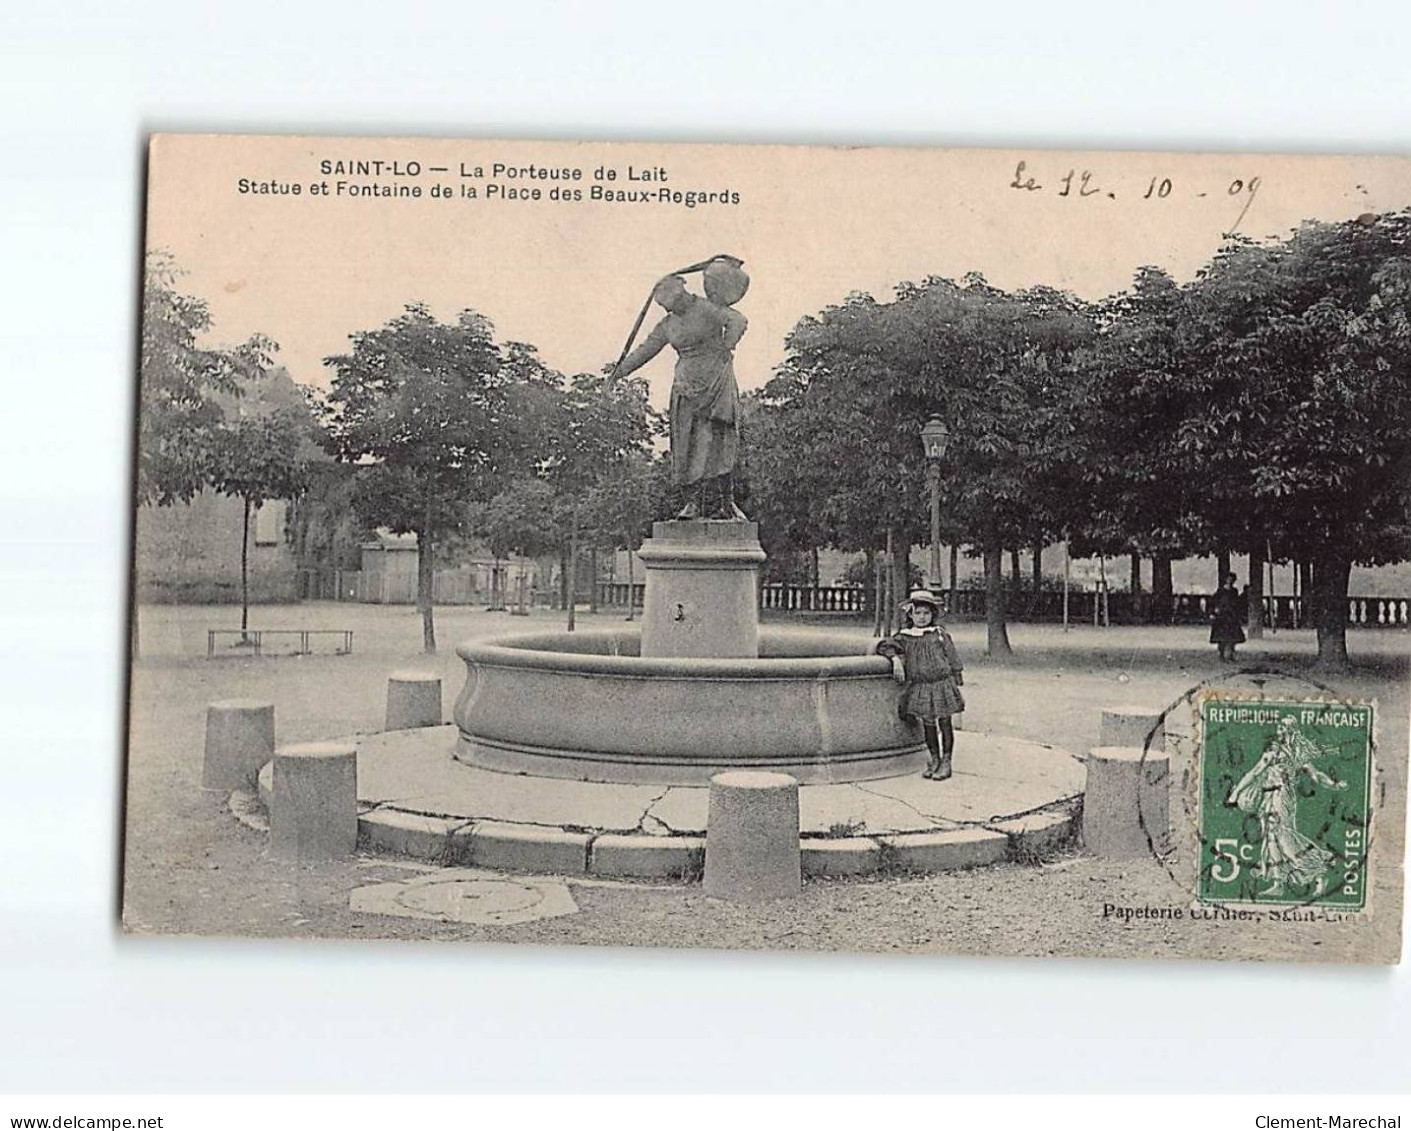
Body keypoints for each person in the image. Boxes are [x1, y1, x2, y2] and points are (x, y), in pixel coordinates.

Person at [612, 265, 748, 520]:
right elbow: (646, 350)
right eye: (666, 306)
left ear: (683, 291)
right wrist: (619, 373)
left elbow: (738, 320)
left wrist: (727, 345)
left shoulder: (707, 309)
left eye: (674, 302)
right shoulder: (668, 325)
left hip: (716, 381)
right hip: (686, 385)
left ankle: (727, 503)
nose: (671, 308)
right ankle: (692, 503)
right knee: (687, 443)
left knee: (720, 441)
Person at [1227, 716, 1346, 897]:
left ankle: (1318, 871)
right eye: (1279, 727)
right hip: (1271, 797)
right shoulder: (1289, 752)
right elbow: (1258, 772)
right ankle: (1278, 882)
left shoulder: (1281, 753)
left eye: (1282, 727)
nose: (1279, 730)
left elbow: (1255, 772)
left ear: (1291, 730)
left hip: (1280, 798)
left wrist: (1236, 793)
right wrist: (1333, 784)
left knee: (1283, 837)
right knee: (1271, 838)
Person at [875, 589, 965, 780]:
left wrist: (956, 675)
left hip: (941, 683)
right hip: (921, 685)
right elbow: (885, 645)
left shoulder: (939, 634)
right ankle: (934, 758)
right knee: (928, 723)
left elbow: (952, 655)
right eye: (917, 613)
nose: (922, 617)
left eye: (926, 613)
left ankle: (946, 761)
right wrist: (896, 660)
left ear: (933, 615)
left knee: (944, 721)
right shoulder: (905, 636)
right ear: (910, 614)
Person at [1209, 571, 1246, 662]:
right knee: (1222, 637)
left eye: (1231, 579)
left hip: (1231, 616)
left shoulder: (1234, 591)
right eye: (1228, 579)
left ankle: (1231, 654)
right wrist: (1214, 612)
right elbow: (1215, 601)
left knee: (1233, 636)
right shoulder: (1220, 591)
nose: (1230, 581)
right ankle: (1222, 654)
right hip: (1222, 616)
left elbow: (1236, 603)